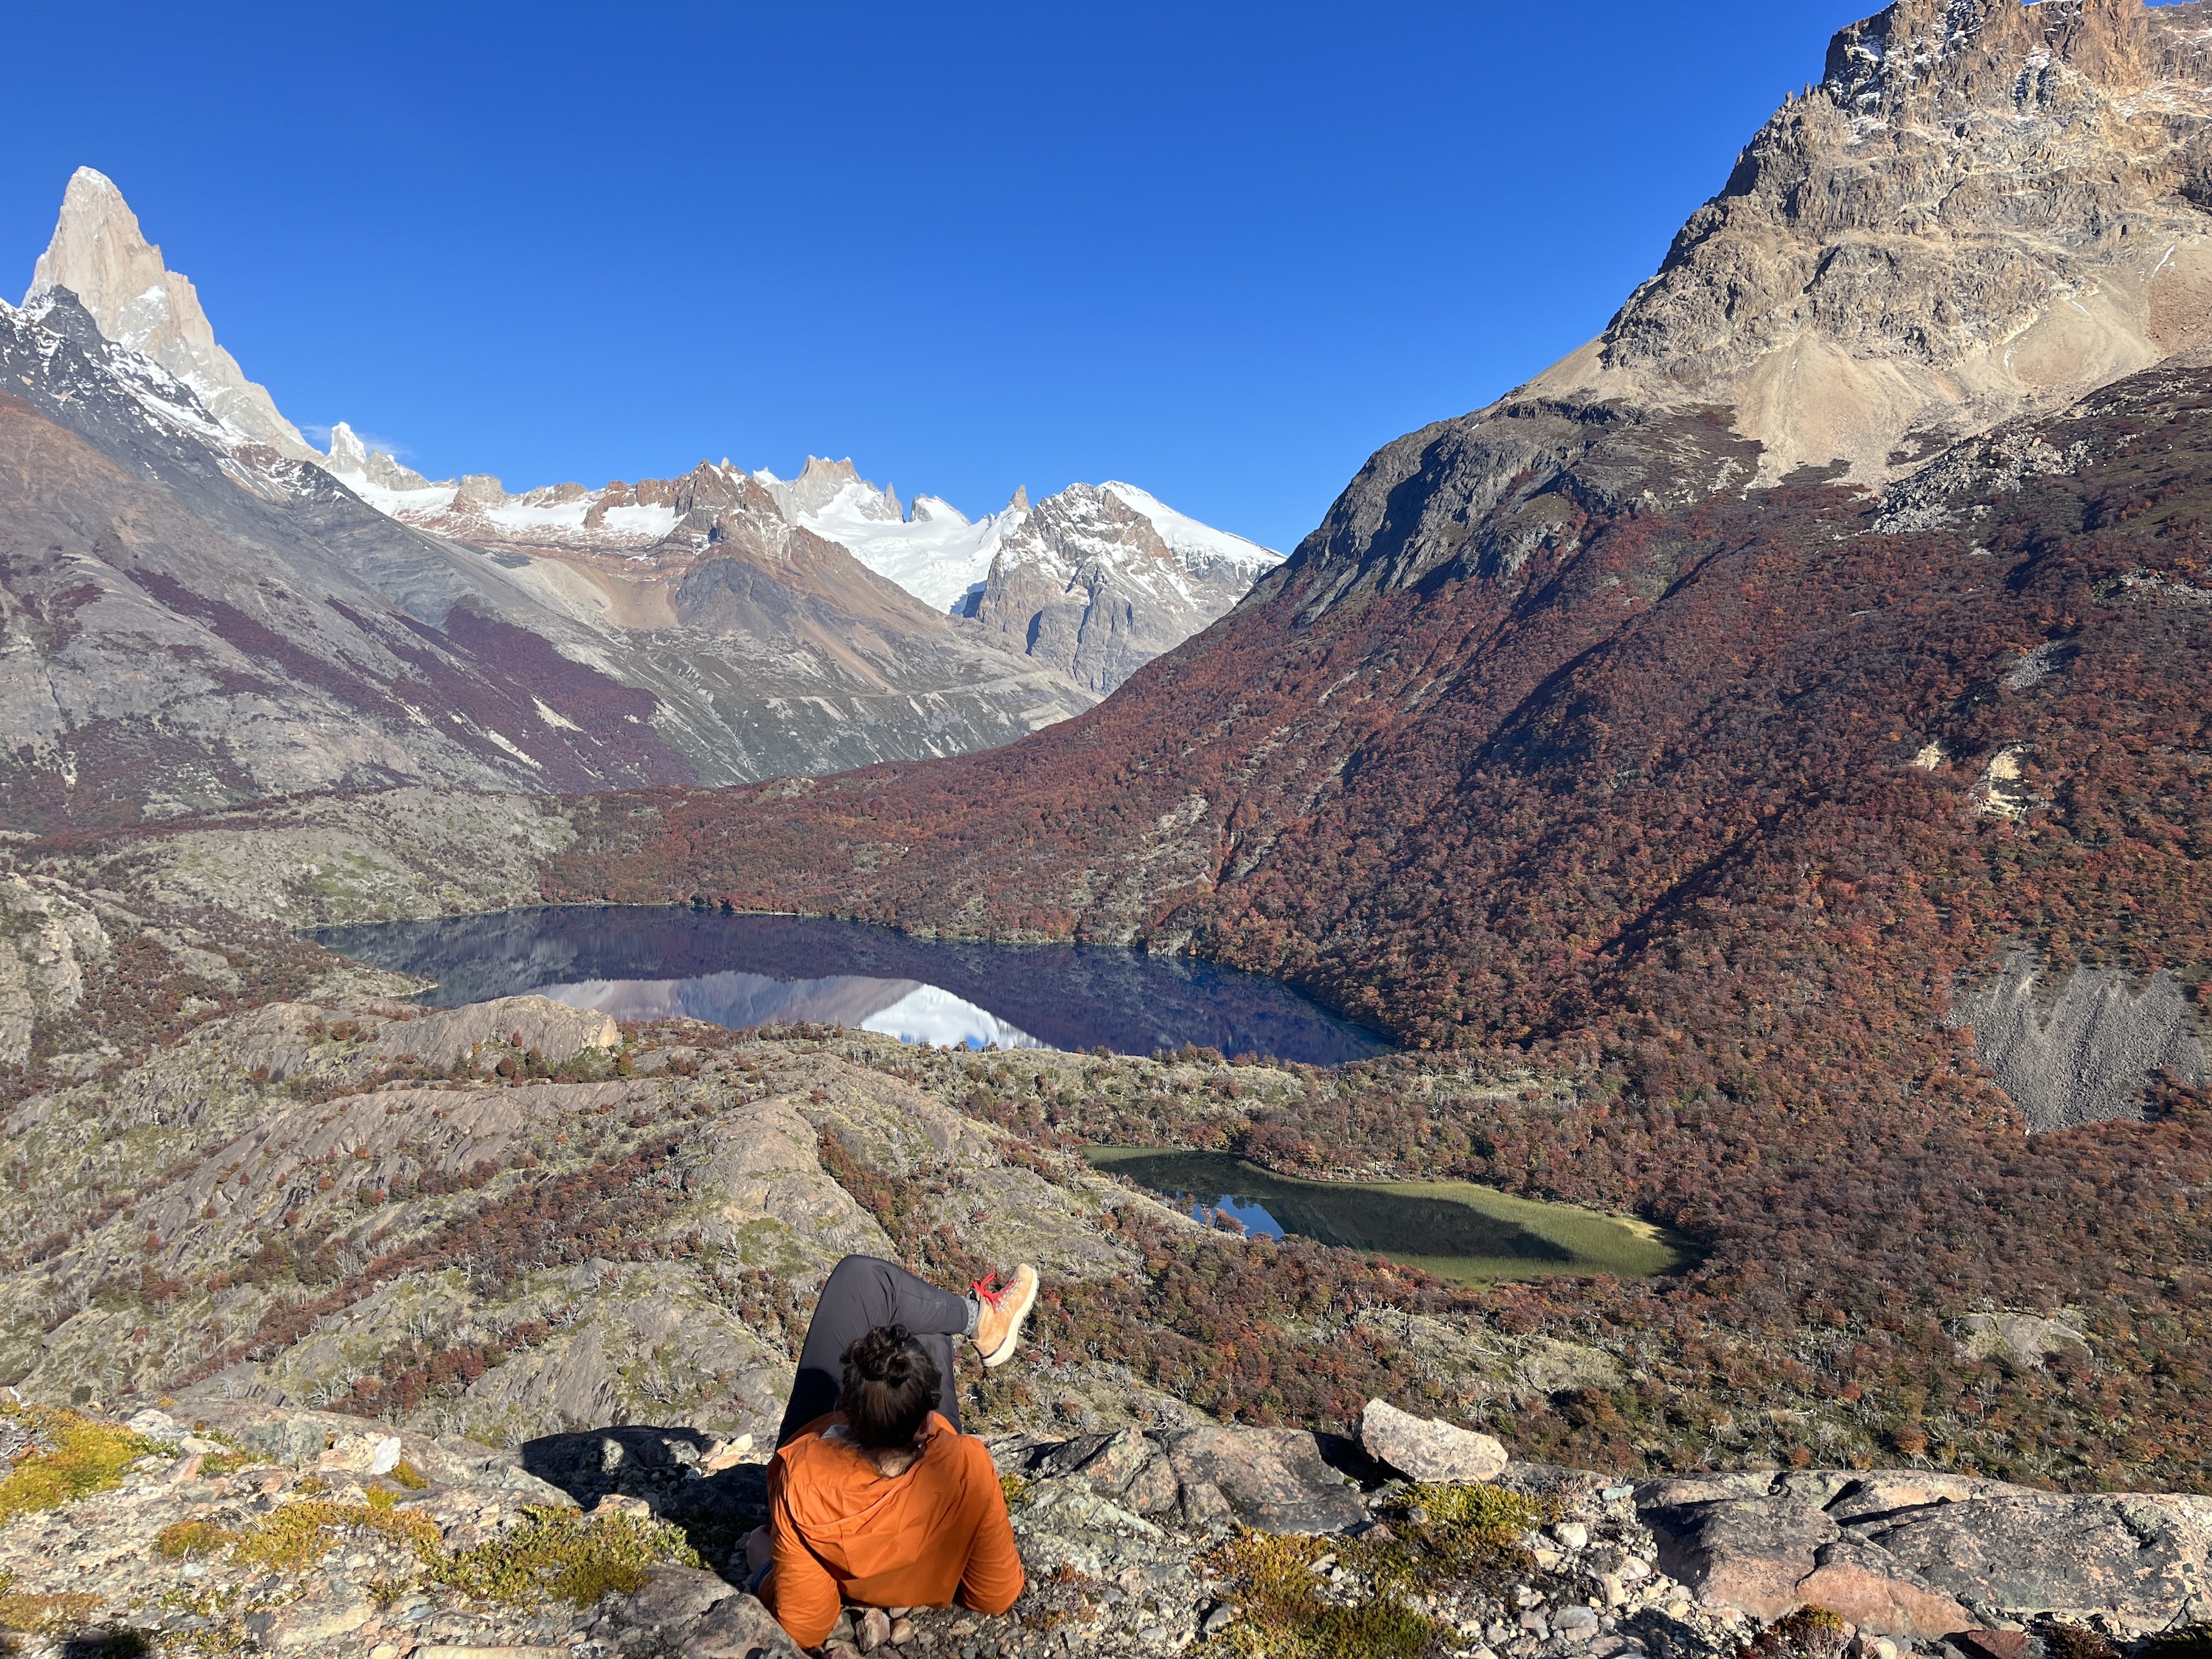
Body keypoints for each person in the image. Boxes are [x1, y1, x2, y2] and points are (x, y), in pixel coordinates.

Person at [745, 1255, 1041, 1649]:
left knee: (859, 1277)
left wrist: (766, 1568)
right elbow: (995, 1595)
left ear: (847, 1412)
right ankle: (982, 1322)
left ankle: (979, 1319)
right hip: (927, 1501)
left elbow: (807, 1627)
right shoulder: (966, 1468)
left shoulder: (801, 1481)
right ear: (926, 1423)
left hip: (825, 1484)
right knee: (928, 1332)